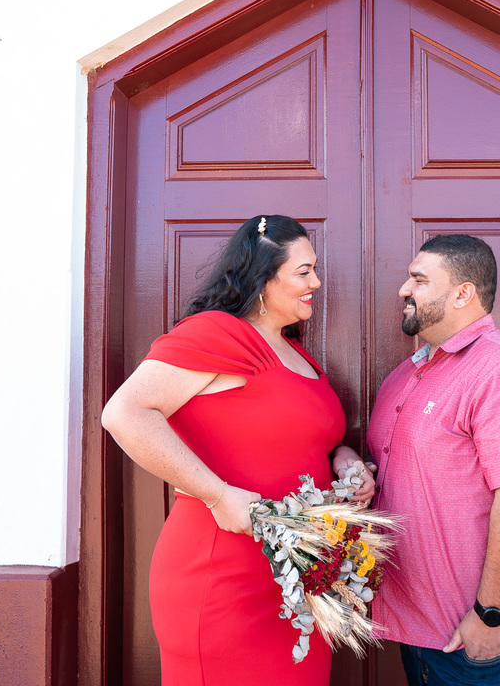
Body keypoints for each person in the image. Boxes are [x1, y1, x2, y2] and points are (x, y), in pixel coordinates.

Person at [101, 214, 374, 686]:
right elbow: (124, 414)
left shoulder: (298, 353)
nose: (317, 282)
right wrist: (217, 494)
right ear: (263, 277)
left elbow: (312, 438)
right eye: (303, 271)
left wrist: (344, 459)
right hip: (223, 571)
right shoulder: (217, 332)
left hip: (298, 577)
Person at [367, 234, 500, 686]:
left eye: (418, 280)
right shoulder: (406, 375)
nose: (403, 289)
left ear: (463, 293)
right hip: (419, 628)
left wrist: (491, 615)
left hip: (489, 638)